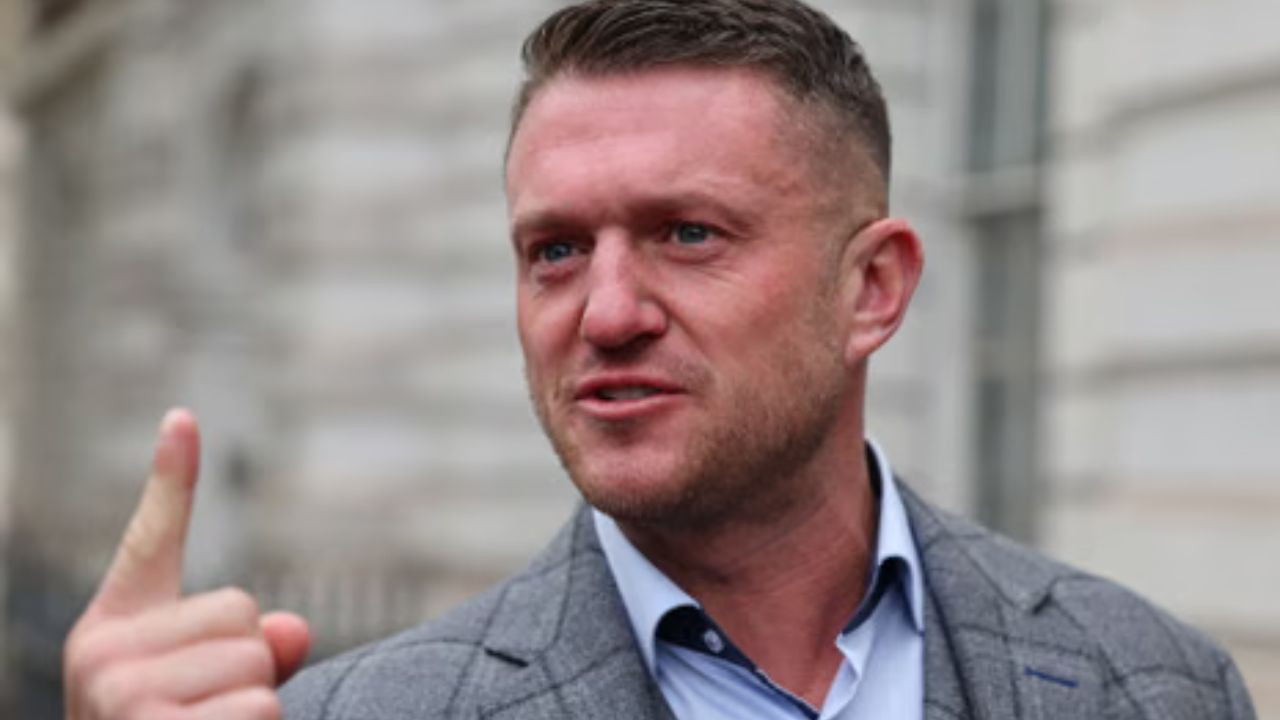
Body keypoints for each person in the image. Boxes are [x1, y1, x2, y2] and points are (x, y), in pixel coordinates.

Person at [63, 1, 1257, 718]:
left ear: (872, 289)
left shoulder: (1148, 684)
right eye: (555, 250)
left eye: (687, 234)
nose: (605, 312)